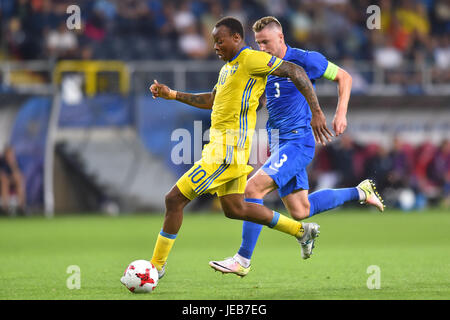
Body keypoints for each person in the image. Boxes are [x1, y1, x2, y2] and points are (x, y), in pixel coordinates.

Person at [149, 16, 333, 280]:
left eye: (219, 40)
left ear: (236, 37)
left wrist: (316, 112)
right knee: (236, 209)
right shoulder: (228, 68)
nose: (215, 46)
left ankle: (156, 267)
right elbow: (212, 100)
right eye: (213, 42)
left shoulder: (250, 59)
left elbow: (296, 71)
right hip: (221, 149)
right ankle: (302, 231)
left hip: (226, 153)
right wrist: (173, 94)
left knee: (173, 199)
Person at [208, 16, 385, 277]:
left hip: (298, 142)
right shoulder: (263, 65)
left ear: (281, 38)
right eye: (258, 43)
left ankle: (242, 260)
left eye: (266, 42)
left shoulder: (305, 59)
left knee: (252, 188)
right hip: (278, 143)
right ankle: (361, 192)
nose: (262, 48)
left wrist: (340, 113)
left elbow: (344, 77)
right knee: (300, 210)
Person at [0, 146, 26, 214]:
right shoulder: (2, 162)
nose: (10, 156)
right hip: (3, 183)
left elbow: (18, 175)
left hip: (11, 183)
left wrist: (13, 165)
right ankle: (5, 208)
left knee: (19, 180)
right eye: (8, 154)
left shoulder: (15, 162)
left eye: (11, 154)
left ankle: (21, 207)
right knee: (4, 181)